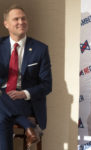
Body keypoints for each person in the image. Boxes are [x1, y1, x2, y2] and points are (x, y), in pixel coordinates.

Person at [0, 4, 52, 150]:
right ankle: (28, 126)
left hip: (26, 102)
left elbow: (47, 85)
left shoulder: (40, 49)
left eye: (23, 18)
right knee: (1, 112)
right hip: (4, 98)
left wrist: (24, 93)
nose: (21, 22)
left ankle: (26, 122)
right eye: (16, 19)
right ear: (6, 24)